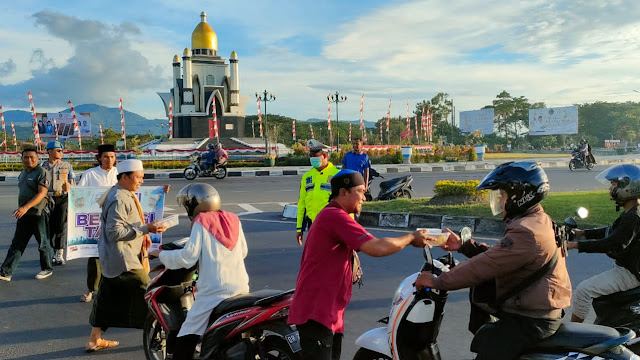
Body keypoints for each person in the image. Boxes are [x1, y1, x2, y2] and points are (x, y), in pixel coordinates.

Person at [415, 161, 572, 360]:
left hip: (531, 321)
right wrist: (464, 245)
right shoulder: (537, 221)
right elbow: (502, 256)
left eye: (502, 195)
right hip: (535, 313)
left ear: (519, 197)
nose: (499, 201)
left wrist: (438, 281)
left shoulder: (527, 231)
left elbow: (484, 266)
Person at [288, 169, 431, 360]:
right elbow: (376, 247)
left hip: (328, 312)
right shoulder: (335, 216)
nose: (365, 197)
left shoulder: (335, 215)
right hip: (316, 312)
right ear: (343, 193)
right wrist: (411, 237)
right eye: (361, 191)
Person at [149, 183, 249, 360]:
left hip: (215, 292)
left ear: (194, 205)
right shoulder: (233, 218)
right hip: (240, 287)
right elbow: (243, 252)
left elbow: (188, 257)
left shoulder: (201, 222)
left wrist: (161, 254)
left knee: (189, 331)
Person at [85, 159, 167, 352]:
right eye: (138, 177)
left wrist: (143, 233)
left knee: (106, 299)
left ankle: (94, 339)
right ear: (124, 177)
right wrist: (147, 228)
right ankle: (173, 337)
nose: (141, 181)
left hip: (113, 259)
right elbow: (114, 233)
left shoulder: (122, 193)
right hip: (124, 260)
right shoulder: (120, 198)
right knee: (151, 294)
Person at [567, 164, 640, 323]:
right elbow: (611, 230)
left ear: (627, 187)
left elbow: (612, 243)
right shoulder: (632, 211)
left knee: (583, 291)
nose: (610, 188)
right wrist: (582, 233)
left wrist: (575, 246)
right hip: (628, 267)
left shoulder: (633, 217)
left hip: (629, 273)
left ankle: (573, 332)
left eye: (613, 184)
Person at [0, 147, 53, 281]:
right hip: (24, 214)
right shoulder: (23, 173)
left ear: (37, 158)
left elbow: (42, 193)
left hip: (38, 213)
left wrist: (25, 207)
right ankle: (6, 272)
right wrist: (23, 209)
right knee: (17, 243)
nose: (29, 160)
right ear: (22, 158)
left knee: (43, 243)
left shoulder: (42, 172)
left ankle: (46, 269)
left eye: (32, 157)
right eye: (26, 157)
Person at [76, 144, 118, 302]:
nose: (109, 160)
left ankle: (114, 290)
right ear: (99, 158)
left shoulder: (121, 174)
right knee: (95, 256)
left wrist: (160, 190)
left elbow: (136, 191)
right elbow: (79, 196)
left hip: (117, 220)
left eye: (112, 156)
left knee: (118, 256)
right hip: (95, 221)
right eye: (106, 156)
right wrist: (69, 189)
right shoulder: (89, 174)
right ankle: (91, 289)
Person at [296, 139, 340, 245]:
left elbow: (347, 204)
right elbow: (302, 203)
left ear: (324, 156)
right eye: (311, 156)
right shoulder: (307, 176)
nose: (312, 159)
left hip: (332, 225)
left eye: (315, 156)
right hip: (313, 225)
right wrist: (299, 229)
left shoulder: (338, 175)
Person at [42, 141, 75, 265]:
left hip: (62, 198)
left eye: (61, 150)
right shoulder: (42, 167)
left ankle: (59, 253)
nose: (61, 153)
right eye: (58, 150)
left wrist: (69, 187)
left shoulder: (67, 165)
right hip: (47, 199)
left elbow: (72, 181)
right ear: (49, 151)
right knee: (49, 227)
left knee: (61, 226)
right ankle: (50, 252)